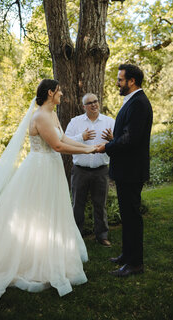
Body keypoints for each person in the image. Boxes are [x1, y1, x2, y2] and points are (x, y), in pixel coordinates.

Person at [0, 79, 96, 320]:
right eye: (59, 91)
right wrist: (88, 151)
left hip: (51, 170)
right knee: (37, 215)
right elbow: (56, 146)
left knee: (52, 215)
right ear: (50, 93)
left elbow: (65, 140)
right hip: (40, 171)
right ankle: (33, 261)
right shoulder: (41, 117)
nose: (62, 94)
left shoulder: (52, 114)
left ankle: (47, 253)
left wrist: (91, 145)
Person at [97, 64, 153, 277]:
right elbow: (128, 134)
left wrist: (107, 147)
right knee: (127, 216)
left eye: (120, 79)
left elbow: (132, 139)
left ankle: (135, 263)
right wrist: (115, 140)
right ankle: (126, 256)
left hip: (131, 170)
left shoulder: (139, 103)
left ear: (131, 81)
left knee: (132, 217)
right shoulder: (133, 101)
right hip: (126, 169)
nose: (117, 82)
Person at [65, 93, 115, 247]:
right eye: (90, 103)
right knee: (77, 205)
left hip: (101, 170)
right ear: (84, 106)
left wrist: (113, 139)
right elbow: (64, 140)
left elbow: (119, 143)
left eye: (96, 101)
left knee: (100, 205)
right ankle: (76, 238)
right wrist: (82, 137)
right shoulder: (75, 122)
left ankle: (102, 236)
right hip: (80, 170)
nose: (94, 105)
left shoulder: (109, 121)